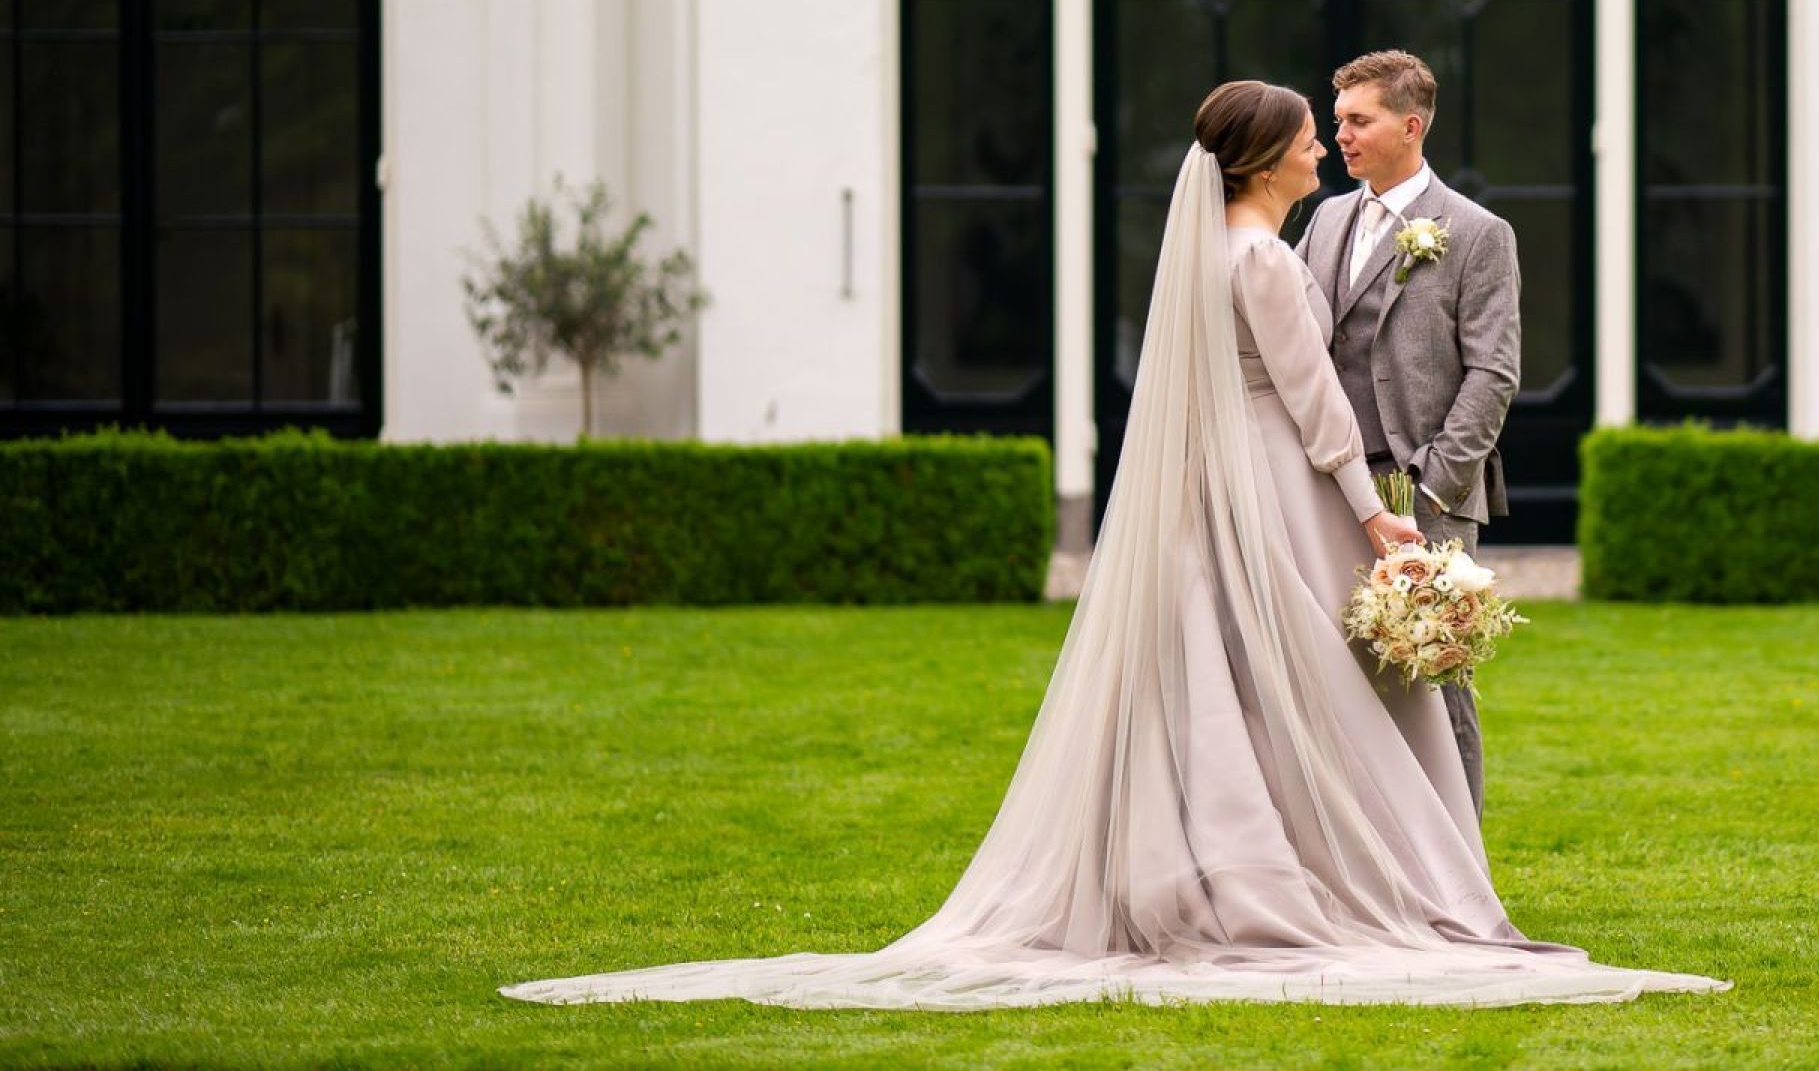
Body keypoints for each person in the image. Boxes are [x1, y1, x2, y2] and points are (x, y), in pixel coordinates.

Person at [499, 82, 1727, 1010]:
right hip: (1298, 485)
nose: (1324, 147)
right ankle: (1378, 884)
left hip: (1236, 485)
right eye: (1311, 133)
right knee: (1321, 686)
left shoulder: (1224, 249)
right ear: (1269, 158)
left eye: (1338, 125)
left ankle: (1278, 866)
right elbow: (1314, 407)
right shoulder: (1272, 257)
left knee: (1251, 687)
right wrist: (1377, 516)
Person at [1302, 49, 1512, 816]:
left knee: (1435, 682)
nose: (1342, 138)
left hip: (1428, 497)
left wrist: (1430, 489)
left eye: (1359, 121)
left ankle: (1463, 873)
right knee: (1334, 679)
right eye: (1338, 122)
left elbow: (1494, 373)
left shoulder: (1478, 233)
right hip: (1331, 489)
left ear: (1410, 125)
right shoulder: (1326, 219)